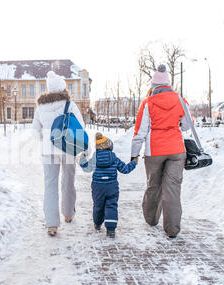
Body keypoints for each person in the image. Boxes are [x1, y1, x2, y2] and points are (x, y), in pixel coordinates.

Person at [131, 64, 192, 239]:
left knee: (154, 185)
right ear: (168, 84)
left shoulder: (148, 103)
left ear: (154, 85)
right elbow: (187, 125)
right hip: (177, 151)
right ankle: (172, 229)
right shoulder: (180, 100)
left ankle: (151, 219)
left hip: (154, 151)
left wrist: (134, 154)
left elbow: (140, 132)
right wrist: (176, 124)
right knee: (172, 188)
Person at [32, 71, 87, 237]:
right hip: (68, 148)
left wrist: (45, 138)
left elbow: (35, 130)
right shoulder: (70, 104)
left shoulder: (40, 106)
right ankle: (68, 213)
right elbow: (81, 126)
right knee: (68, 181)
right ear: (63, 88)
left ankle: (51, 224)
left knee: (50, 185)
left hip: (49, 150)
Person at [80, 133, 137, 238]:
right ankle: (111, 230)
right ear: (109, 146)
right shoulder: (114, 158)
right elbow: (125, 169)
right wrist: (133, 162)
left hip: (98, 187)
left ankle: (97, 224)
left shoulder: (95, 158)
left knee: (98, 205)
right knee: (111, 206)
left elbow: (86, 168)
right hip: (112, 186)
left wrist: (82, 159)